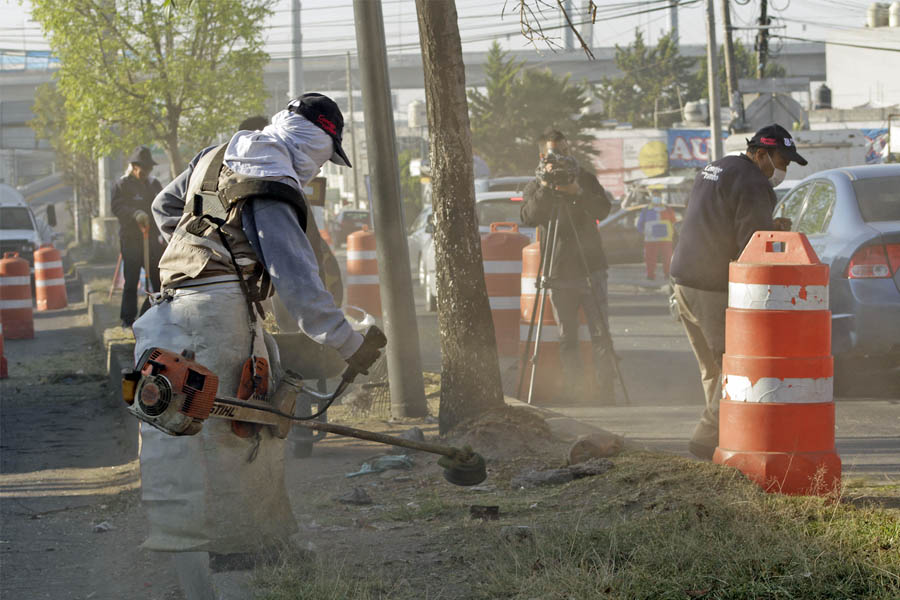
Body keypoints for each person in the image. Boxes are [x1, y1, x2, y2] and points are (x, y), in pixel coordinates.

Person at [139, 93, 384, 598]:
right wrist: (348, 343)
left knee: (177, 442)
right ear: (316, 141)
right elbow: (296, 277)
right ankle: (239, 578)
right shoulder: (271, 178)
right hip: (219, 320)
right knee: (239, 440)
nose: (319, 170)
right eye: (324, 156)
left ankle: (198, 579)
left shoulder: (217, 154)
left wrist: (202, 251)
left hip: (165, 316)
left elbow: (164, 206)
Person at [670, 124, 805, 460]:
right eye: (781, 161)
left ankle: (722, 438)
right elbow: (751, 245)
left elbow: (719, 221)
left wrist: (764, 228)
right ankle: (705, 439)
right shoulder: (753, 181)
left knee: (712, 369)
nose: (783, 170)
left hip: (683, 280)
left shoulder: (715, 168)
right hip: (711, 286)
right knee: (734, 365)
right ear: (760, 154)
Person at [521, 129, 615, 404]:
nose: (561, 158)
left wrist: (578, 192)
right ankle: (576, 391)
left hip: (591, 267)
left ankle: (606, 390)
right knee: (567, 337)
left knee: (601, 333)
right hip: (559, 270)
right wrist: (546, 188)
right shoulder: (538, 184)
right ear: (543, 156)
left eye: (565, 151)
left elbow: (602, 210)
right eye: (555, 153)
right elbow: (528, 216)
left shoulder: (585, 179)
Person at [111, 146, 163, 327]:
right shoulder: (122, 185)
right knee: (131, 279)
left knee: (159, 277)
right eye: (144, 167)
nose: (147, 171)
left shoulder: (154, 184)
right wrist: (134, 214)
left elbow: (163, 206)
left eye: (149, 168)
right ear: (134, 166)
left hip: (153, 238)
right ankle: (127, 318)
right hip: (131, 238)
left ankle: (161, 313)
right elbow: (117, 207)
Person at [636, 195, 677, 280]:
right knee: (650, 258)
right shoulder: (646, 210)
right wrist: (644, 232)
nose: (657, 198)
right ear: (651, 198)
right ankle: (650, 275)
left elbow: (674, 221)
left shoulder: (668, 209)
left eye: (658, 196)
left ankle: (667, 274)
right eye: (655, 196)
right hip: (651, 239)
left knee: (667, 257)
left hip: (665, 238)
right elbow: (639, 224)